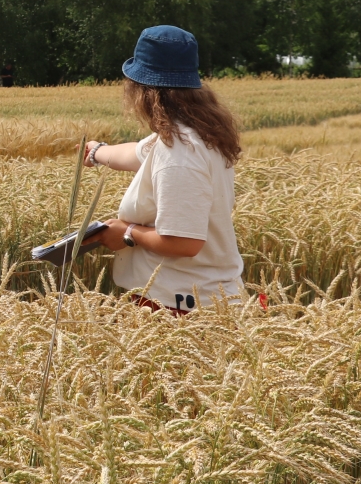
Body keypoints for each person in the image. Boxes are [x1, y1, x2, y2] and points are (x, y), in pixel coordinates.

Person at [84, 25, 244, 313]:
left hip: (181, 307)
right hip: (198, 299)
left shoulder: (179, 154)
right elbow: (134, 153)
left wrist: (127, 233)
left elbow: (184, 243)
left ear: (143, 91)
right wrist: (96, 152)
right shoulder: (191, 134)